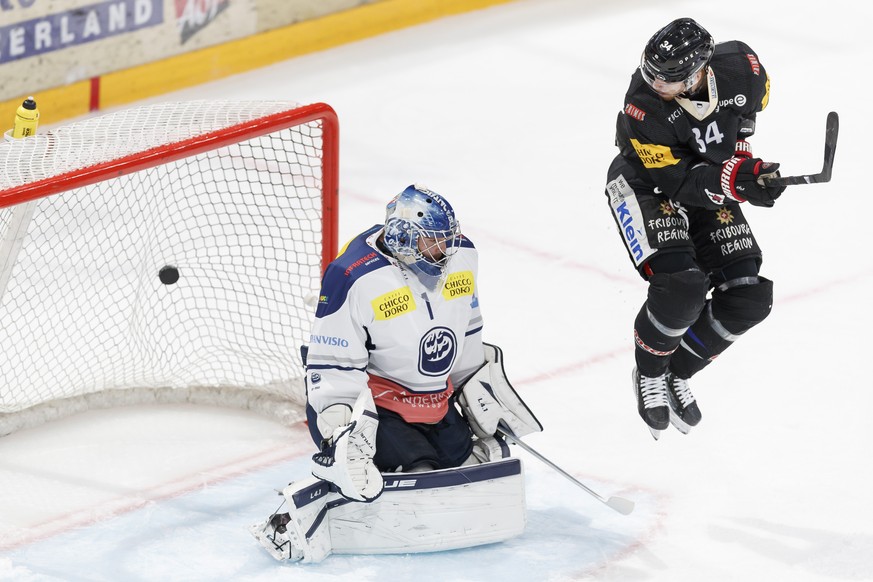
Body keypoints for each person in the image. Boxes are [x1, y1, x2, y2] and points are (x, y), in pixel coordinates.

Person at [604, 18, 786, 439]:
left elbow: (743, 119)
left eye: (666, 80)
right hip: (647, 182)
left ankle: (677, 372)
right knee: (682, 286)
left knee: (749, 296)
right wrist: (734, 180)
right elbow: (678, 182)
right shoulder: (643, 104)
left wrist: (747, 169)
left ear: (700, 70)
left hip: (708, 182)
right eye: (651, 73)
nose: (654, 84)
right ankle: (649, 371)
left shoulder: (744, 67)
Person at [302, 183, 519, 502]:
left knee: (466, 463)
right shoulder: (353, 275)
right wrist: (340, 429)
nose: (446, 249)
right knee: (423, 472)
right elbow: (333, 360)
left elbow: (468, 328)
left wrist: (476, 393)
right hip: (380, 408)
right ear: (403, 237)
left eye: (448, 238)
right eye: (435, 241)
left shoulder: (463, 255)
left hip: (433, 403)